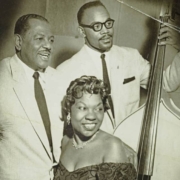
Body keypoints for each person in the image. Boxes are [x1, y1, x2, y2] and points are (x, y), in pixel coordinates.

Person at [56, 1, 151, 134]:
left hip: (133, 145)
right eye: (97, 26)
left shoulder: (132, 57)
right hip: (95, 151)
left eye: (108, 24)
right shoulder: (64, 71)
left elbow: (164, 85)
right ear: (82, 31)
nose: (106, 31)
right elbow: (66, 124)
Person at [0, 14, 64, 180]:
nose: (48, 46)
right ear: (19, 42)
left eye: (51, 40)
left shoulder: (59, 78)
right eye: (39, 39)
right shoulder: (2, 77)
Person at [53, 76, 137, 180]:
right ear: (69, 109)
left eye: (98, 109)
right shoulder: (65, 141)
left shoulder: (112, 147)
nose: (91, 116)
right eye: (83, 108)